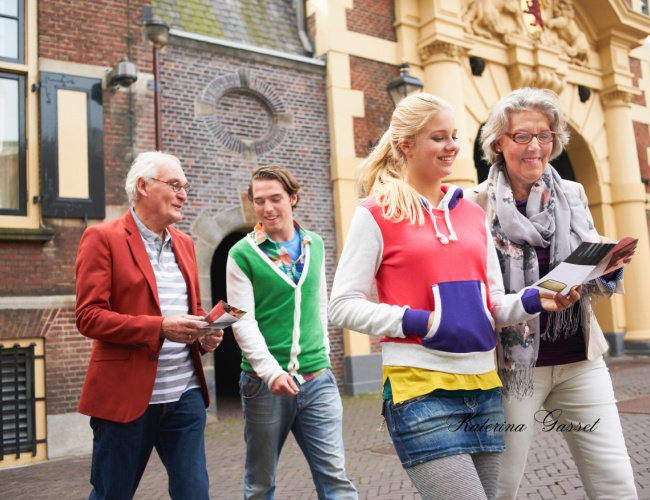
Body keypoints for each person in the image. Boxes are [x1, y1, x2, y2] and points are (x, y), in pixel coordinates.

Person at [328, 93, 578, 500]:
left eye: (455, 136)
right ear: (406, 144)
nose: (452, 147)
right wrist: (420, 321)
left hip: (484, 388)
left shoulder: (473, 214)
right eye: (438, 137)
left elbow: (492, 303)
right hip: (420, 389)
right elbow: (341, 305)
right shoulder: (375, 213)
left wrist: (536, 300)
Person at [466, 87, 637, 499]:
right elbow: (476, 291)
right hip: (512, 370)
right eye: (522, 136)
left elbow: (590, 259)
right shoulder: (473, 206)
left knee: (614, 479)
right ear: (498, 143)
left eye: (544, 135)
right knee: (501, 485)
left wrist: (607, 268)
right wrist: (530, 299)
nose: (536, 146)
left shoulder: (573, 194)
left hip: (579, 359)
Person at [75, 151, 223, 500]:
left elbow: (192, 309)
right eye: (175, 185)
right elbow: (89, 316)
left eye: (184, 186)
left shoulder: (185, 244)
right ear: (142, 186)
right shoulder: (102, 238)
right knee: (113, 493)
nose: (183, 194)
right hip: (126, 400)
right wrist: (159, 328)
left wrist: (204, 335)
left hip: (184, 395)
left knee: (195, 493)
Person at [226, 166, 357, 500]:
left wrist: (324, 359)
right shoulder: (242, 254)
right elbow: (242, 321)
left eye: (275, 199)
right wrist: (271, 373)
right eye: (259, 201)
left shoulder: (314, 244)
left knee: (336, 479)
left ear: (292, 199)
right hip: (264, 386)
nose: (267, 208)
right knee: (260, 483)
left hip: (317, 381)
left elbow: (319, 303)